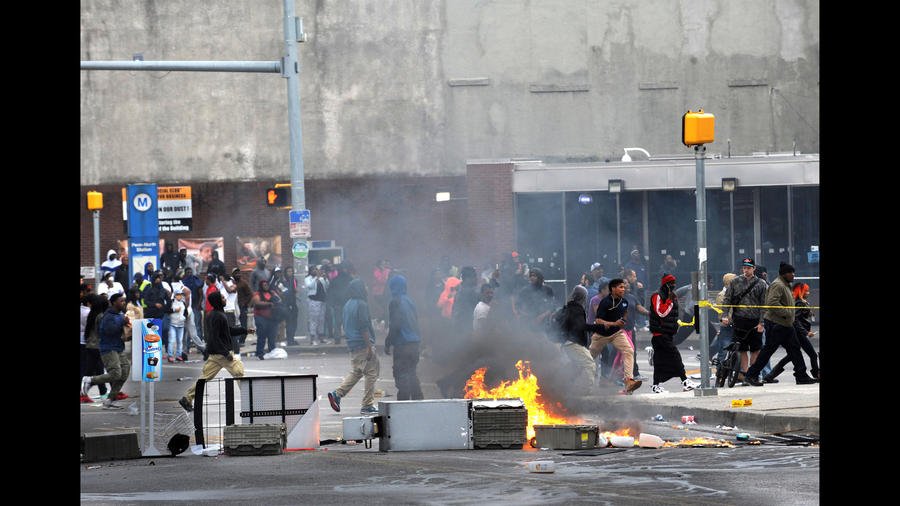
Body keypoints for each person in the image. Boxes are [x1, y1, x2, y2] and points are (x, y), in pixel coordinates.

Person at [745, 263, 816, 386]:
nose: (793, 275)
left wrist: (788, 316)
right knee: (768, 350)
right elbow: (772, 303)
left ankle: (801, 376)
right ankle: (751, 375)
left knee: (795, 349)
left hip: (786, 324)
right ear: (784, 274)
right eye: (791, 273)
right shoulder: (778, 285)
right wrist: (787, 313)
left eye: (793, 272)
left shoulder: (786, 285)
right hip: (776, 324)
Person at [178, 291, 248, 412]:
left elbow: (227, 331)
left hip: (216, 354)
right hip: (222, 354)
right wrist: (226, 353)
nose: (225, 299)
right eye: (222, 297)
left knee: (205, 377)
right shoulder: (218, 316)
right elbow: (215, 337)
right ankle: (249, 399)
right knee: (239, 372)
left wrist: (244, 330)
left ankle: (187, 398)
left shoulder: (216, 314)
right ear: (217, 301)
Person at [327, 279, 381, 415]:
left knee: (357, 371)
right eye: (365, 285)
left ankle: (337, 394)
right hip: (362, 344)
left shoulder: (348, 304)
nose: (367, 288)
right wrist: (369, 346)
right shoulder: (361, 304)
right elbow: (363, 327)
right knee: (371, 373)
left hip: (352, 344)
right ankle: (367, 405)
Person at [589, 279, 642, 394]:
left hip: (616, 333)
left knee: (628, 351)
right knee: (589, 357)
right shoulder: (601, 302)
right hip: (601, 334)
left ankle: (629, 382)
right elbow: (599, 320)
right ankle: (574, 378)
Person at [721, 258, 768, 384]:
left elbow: (764, 305)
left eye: (748, 268)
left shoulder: (761, 284)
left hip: (755, 321)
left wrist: (761, 322)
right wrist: (725, 315)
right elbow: (727, 299)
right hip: (740, 320)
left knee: (756, 349)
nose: (746, 270)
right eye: (744, 268)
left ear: (754, 269)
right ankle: (745, 373)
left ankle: (753, 374)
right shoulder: (735, 282)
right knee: (742, 349)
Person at [81, 293, 132, 409]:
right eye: (121, 301)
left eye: (124, 301)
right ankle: (90, 380)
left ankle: (110, 399)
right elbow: (108, 331)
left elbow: (122, 332)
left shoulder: (121, 314)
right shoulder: (107, 316)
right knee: (115, 373)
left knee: (125, 372)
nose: (123, 303)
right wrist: (122, 323)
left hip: (118, 347)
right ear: (114, 302)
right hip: (108, 348)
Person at [647, 275, 696, 393]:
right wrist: (669, 301)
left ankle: (655, 385)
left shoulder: (672, 296)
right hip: (660, 334)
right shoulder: (657, 295)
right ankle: (685, 381)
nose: (673, 285)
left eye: (674, 282)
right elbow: (661, 312)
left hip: (667, 333)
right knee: (675, 356)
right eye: (670, 283)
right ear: (665, 284)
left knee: (659, 361)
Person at [559, 285, 607, 391]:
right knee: (589, 363)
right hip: (572, 343)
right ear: (582, 298)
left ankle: (564, 386)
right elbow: (581, 326)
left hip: (569, 342)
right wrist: (598, 327)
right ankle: (585, 390)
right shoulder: (576, 309)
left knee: (576, 366)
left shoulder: (568, 307)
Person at [383, 275, 424, 400]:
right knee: (411, 372)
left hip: (403, 344)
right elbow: (416, 321)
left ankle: (402, 403)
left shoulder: (395, 301)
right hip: (414, 343)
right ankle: (418, 400)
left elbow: (395, 324)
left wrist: (388, 342)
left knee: (401, 374)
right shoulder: (409, 300)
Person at [81, 294, 110, 402]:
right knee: (104, 370)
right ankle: (110, 393)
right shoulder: (98, 315)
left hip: (90, 345)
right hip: (97, 346)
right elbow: (101, 332)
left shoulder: (92, 314)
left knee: (96, 370)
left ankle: (103, 393)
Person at [251, 279, 281, 359]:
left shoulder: (272, 292)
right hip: (260, 317)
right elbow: (257, 303)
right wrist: (269, 303)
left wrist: (275, 298)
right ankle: (259, 352)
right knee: (262, 335)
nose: (266, 286)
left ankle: (272, 351)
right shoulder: (257, 294)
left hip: (272, 317)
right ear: (261, 286)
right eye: (264, 285)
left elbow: (279, 299)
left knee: (272, 336)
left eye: (267, 285)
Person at [306, 265, 328, 345]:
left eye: (316, 269)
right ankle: (312, 339)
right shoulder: (308, 279)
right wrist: (316, 278)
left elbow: (327, 286)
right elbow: (309, 286)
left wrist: (325, 279)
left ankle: (321, 337)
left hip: (322, 301)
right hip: (313, 301)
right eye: (314, 270)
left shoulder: (321, 278)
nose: (315, 271)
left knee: (321, 320)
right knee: (314, 320)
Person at [168, 291, 187, 363]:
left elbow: (186, 313)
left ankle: (179, 355)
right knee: (172, 340)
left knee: (180, 340)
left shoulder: (183, 303)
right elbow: (167, 310)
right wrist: (174, 310)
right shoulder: (171, 302)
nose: (179, 296)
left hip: (181, 324)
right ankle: (170, 355)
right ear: (175, 295)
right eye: (178, 295)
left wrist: (184, 317)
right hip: (172, 323)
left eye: (180, 295)